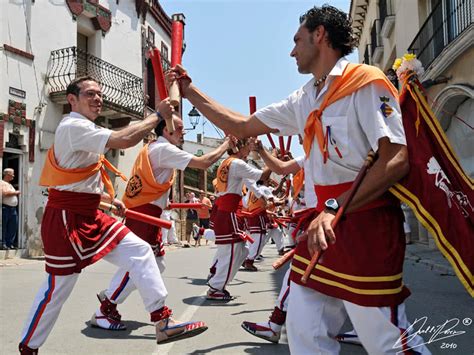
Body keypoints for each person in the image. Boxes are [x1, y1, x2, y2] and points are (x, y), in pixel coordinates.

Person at [169, 5, 431, 353]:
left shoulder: (366, 82)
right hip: (321, 229)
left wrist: (333, 208)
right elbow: (241, 125)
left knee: (384, 339)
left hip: (365, 225)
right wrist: (190, 92)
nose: (291, 50)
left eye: (297, 40)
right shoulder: (305, 98)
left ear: (319, 35)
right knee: (304, 330)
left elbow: (395, 159)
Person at [18, 77, 207, 354]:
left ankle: (162, 319)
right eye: (90, 94)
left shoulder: (87, 128)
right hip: (65, 219)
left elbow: (78, 179)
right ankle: (28, 348)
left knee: (142, 251)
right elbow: (124, 139)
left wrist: (108, 201)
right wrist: (157, 115)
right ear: (72, 100)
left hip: (91, 213)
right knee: (57, 290)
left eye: (99, 94)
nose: (98, 99)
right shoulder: (73, 126)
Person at [91, 114, 231, 330]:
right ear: (167, 130)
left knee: (156, 264)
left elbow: (152, 184)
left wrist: (162, 202)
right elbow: (204, 163)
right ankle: (106, 307)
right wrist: (226, 144)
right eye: (180, 127)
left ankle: (111, 294)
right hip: (145, 215)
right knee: (139, 264)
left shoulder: (154, 147)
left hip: (149, 213)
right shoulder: (164, 150)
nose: (184, 131)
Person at [206, 139, 270, 300]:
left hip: (227, 212)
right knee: (233, 251)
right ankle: (216, 287)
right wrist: (272, 158)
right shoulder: (237, 164)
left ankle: (216, 276)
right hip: (229, 213)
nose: (250, 149)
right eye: (248, 145)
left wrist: (262, 196)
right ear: (241, 147)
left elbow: (250, 182)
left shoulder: (228, 163)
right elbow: (261, 175)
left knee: (242, 251)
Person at [1, 168, 20, 249]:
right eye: (12, 174)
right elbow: (4, 193)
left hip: (13, 209)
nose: (13, 176)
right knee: (4, 226)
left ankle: (10, 243)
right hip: (6, 208)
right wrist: (16, 193)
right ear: (7, 174)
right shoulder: (2, 183)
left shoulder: (10, 184)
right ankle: (3, 243)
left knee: (13, 226)